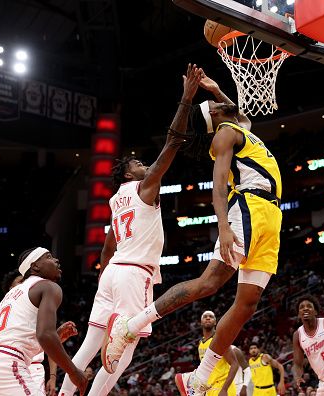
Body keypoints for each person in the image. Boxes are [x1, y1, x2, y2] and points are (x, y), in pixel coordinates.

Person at [104, 70, 283, 396]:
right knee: (210, 282)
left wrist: (214, 87)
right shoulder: (225, 135)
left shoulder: (241, 128)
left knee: (247, 304)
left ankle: (199, 378)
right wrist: (224, 227)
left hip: (271, 216)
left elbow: (235, 109)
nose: (218, 101)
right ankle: (131, 326)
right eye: (214, 103)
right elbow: (217, 187)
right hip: (248, 208)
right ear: (215, 115)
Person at [58, 64, 203, 396]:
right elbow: (173, 141)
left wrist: (103, 280)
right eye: (137, 163)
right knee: (125, 348)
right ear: (128, 174)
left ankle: (64, 395)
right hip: (134, 273)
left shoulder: (114, 200)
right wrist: (186, 99)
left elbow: (108, 248)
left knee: (90, 346)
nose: (144, 164)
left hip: (112, 273)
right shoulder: (144, 187)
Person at [0, 248, 88, 395]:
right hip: (6, 366)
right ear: (35, 266)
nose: (56, 260)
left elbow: (17, 337)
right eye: (49, 257)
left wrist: (55, 336)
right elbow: (45, 335)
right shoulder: (48, 286)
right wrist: (74, 372)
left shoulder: (10, 295)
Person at [0, 270, 78, 396]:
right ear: (11, 289)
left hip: (33, 368)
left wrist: (52, 377)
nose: (25, 284)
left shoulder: (37, 309)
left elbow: (50, 346)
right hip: (12, 364)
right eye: (20, 282)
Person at [197, 310, 249, 396]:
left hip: (222, 387)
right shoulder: (200, 343)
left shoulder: (220, 339)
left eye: (211, 316)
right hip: (210, 388)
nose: (208, 318)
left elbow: (234, 364)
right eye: (205, 317)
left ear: (215, 322)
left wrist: (224, 389)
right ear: (201, 322)